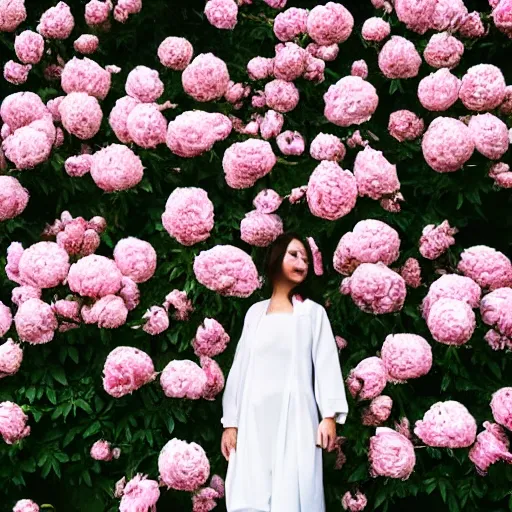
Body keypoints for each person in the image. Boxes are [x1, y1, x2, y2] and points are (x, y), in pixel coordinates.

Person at [220, 231, 349, 512]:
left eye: (305, 257)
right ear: (277, 258)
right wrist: (231, 422)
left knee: (294, 487)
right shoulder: (255, 313)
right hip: (254, 415)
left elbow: (326, 363)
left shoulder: (312, 314)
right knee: (251, 488)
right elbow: (240, 367)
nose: (301, 261)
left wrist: (328, 416)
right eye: (293, 254)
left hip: (296, 416)